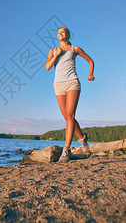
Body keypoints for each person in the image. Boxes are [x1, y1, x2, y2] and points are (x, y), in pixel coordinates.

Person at [46, 27, 95, 162]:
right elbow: (47, 66)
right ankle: (83, 138)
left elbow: (91, 61)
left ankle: (66, 149)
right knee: (67, 116)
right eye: (58, 33)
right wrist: (56, 55)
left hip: (72, 82)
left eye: (63, 32)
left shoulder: (75, 49)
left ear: (68, 34)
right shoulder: (53, 51)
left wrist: (90, 74)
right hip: (58, 84)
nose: (60, 34)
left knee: (70, 115)